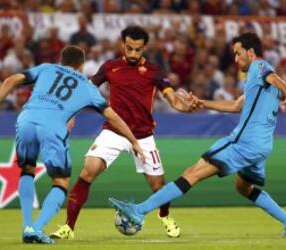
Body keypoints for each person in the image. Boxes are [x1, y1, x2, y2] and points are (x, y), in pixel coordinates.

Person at [109, 32, 286, 237]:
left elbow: (274, 77)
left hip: (242, 142)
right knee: (243, 187)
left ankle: (138, 211)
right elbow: (236, 105)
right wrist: (202, 103)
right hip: (262, 147)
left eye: (238, 54)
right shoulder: (258, 83)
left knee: (191, 173)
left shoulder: (259, 66)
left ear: (250, 52)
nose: (236, 59)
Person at [0, 45, 145, 244]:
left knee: (26, 170)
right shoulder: (87, 87)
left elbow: (11, 80)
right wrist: (133, 141)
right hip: (52, 126)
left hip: (25, 120)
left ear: (61, 59)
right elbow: (113, 117)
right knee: (60, 183)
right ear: (81, 65)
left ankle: (27, 226)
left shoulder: (46, 68)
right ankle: (36, 228)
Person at [50, 25, 197, 240]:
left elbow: (172, 97)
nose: (134, 54)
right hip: (114, 132)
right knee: (88, 171)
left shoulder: (155, 70)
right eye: (130, 48)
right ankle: (68, 227)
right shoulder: (110, 67)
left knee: (159, 186)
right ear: (123, 45)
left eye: (138, 49)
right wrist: (71, 114)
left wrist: (185, 107)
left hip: (143, 136)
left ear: (144, 48)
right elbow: (86, 91)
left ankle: (165, 216)